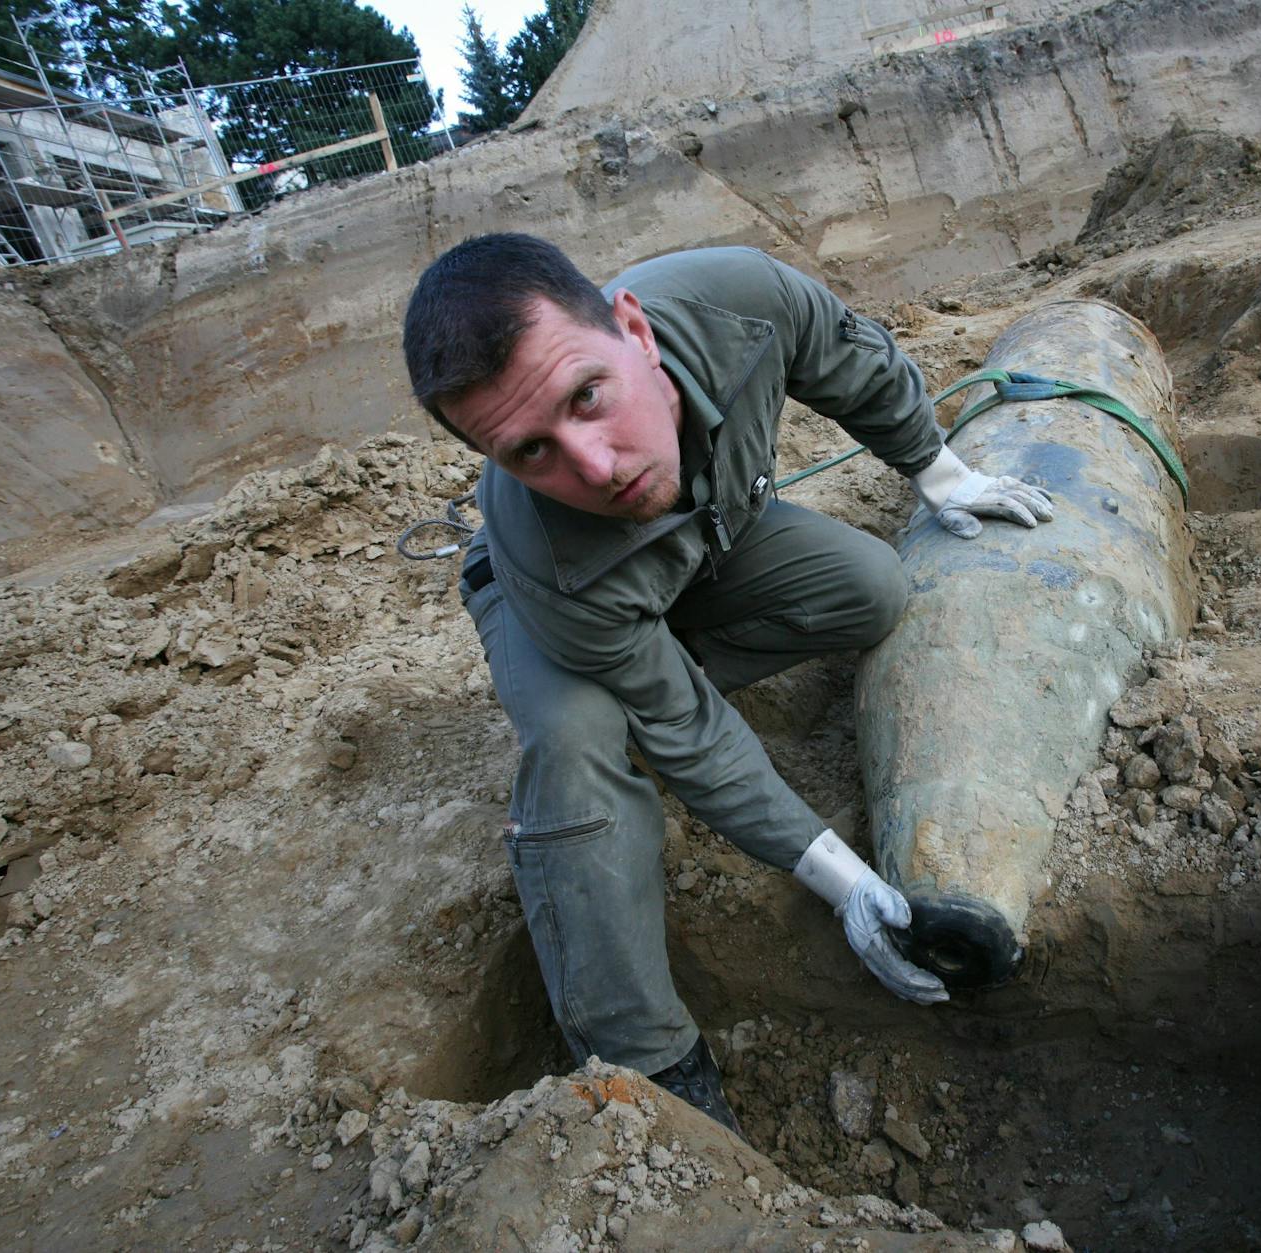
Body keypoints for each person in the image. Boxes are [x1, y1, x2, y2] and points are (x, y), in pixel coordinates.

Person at [401, 235, 1053, 1134]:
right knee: (579, 739)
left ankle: (640, 664)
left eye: (587, 395)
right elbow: (694, 733)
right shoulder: (549, 554)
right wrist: (848, 883)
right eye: (532, 451)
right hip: (569, 597)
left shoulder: (737, 302)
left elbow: (854, 360)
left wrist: (943, 474)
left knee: (872, 588)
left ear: (634, 328)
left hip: (705, 540)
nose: (593, 467)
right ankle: (644, 1056)